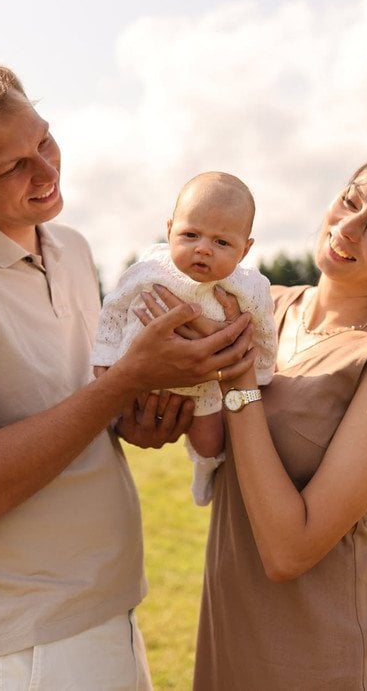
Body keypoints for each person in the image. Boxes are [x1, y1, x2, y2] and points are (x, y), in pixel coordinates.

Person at [0, 61, 254, 690]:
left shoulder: (73, 249)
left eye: (44, 141)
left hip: (107, 607)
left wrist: (136, 416)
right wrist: (122, 384)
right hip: (17, 648)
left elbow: (78, 405)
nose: (47, 171)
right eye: (11, 167)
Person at [138, 151, 367, 690]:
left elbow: (290, 551)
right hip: (229, 631)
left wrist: (238, 387)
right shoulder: (260, 305)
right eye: (349, 201)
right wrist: (151, 417)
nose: (346, 228)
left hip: (327, 656)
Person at [92, 171, 277, 504]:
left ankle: (204, 471)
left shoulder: (247, 288)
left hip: (203, 384)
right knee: (103, 413)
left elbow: (262, 332)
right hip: (135, 371)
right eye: (190, 234)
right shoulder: (150, 269)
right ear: (169, 231)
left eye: (221, 242)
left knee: (210, 441)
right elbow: (114, 310)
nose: (203, 249)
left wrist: (260, 375)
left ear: (245, 250)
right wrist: (105, 361)